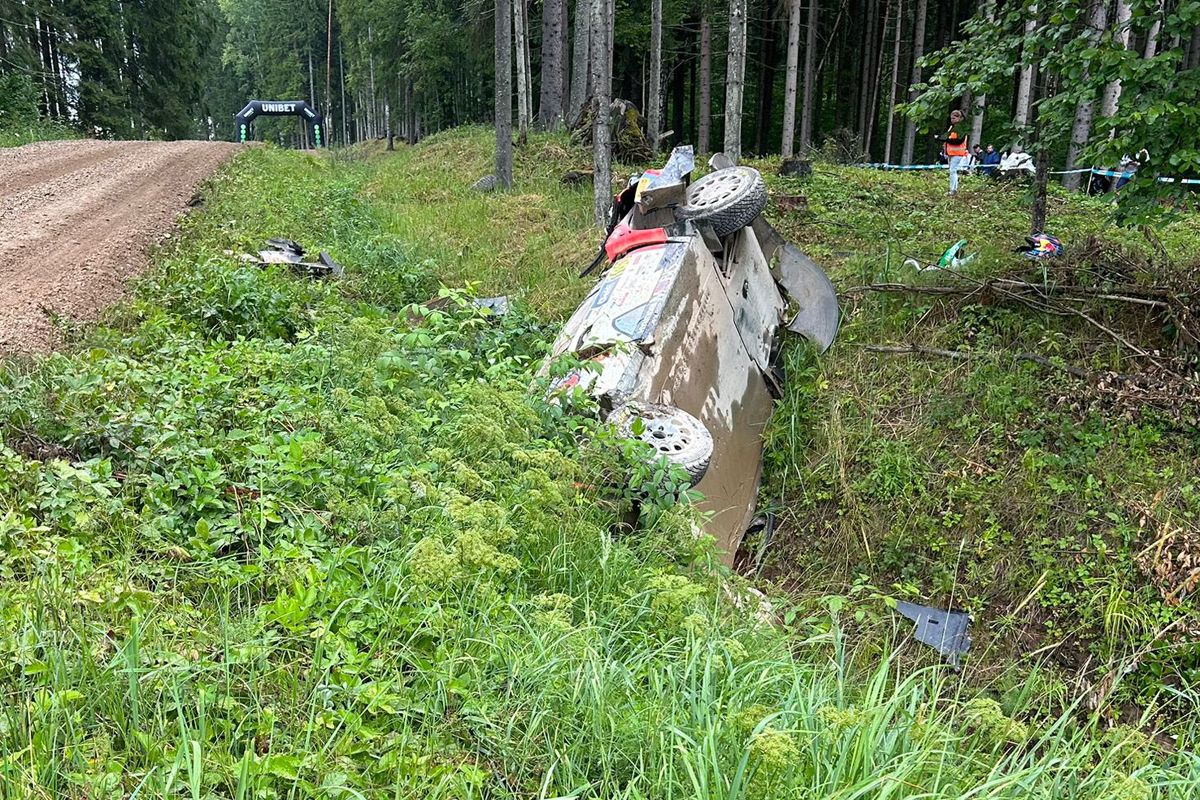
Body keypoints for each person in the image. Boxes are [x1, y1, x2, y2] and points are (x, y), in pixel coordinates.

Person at [937, 109, 970, 195]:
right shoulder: (952, 127)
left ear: (959, 118)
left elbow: (958, 141)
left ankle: (953, 190)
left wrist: (947, 140)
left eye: (954, 118)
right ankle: (953, 189)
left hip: (958, 153)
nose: (952, 120)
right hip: (951, 153)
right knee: (952, 171)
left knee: (952, 170)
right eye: (951, 118)